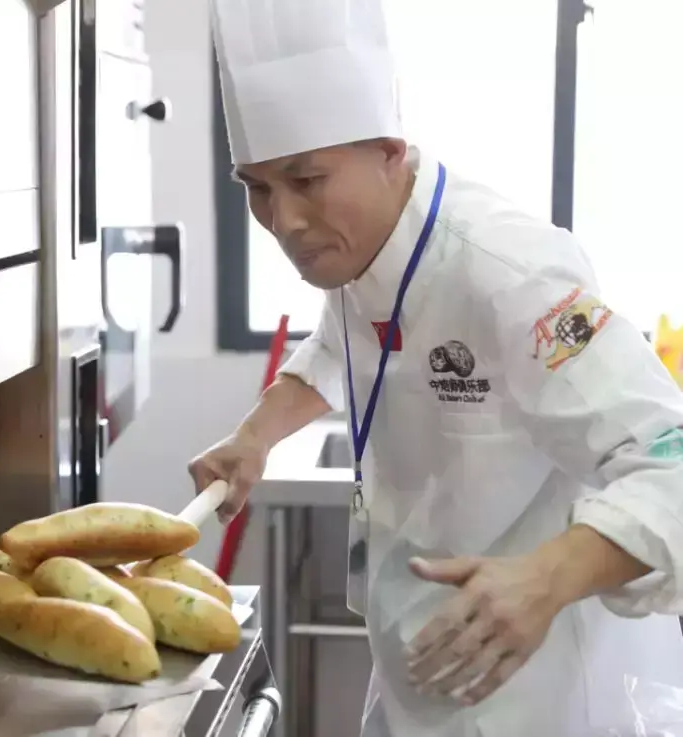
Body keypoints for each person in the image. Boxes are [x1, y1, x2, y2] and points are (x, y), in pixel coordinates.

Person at [189, 0, 683, 735]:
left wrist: (547, 579)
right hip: (421, 669)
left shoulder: (509, 273)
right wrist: (254, 435)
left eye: (307, 179)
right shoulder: (358, 251)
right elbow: (338, 345)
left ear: (391, 151)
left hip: (542, 695)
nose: (283, 221)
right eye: (256, 189)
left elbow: (671, 464)